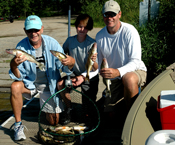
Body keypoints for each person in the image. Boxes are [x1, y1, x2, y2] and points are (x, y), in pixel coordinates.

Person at [9, 15, 74, 141]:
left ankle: (58, 107)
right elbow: (19, 76)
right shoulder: (21, 47)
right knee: (14, 86)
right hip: (30, 85)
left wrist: (71, 62)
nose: (33, 33)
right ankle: (18, 125)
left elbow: (64, 67)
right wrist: (13, 65)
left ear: (42, 29)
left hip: (49, 86)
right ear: (25, 31)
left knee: (54, 122)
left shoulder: (52, 43)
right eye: (29, 30)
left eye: (36, 30)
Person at [96, 0, 147, 113]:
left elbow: (136, 61)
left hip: (135, 71)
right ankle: (112, 100)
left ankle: (131, 117)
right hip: (114, 78)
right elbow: (98, 65)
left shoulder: (130, 31)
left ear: (119, 14)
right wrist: (85, 73)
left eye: (113, 14)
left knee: (128, 79)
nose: (110, 17)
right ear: (103, 15)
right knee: (110, 115)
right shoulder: (99, 36)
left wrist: (118, 71)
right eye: (106, 14)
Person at [57, 14, 99, 125]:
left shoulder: (92, 43)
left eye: (85, 27)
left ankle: (88, 113)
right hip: (74, 74)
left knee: (88, 107)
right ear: (76, 27)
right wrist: (64, 60)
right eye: (80, 26)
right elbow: (62, 53)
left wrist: (93, 61)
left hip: (88, 75)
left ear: (89, 29)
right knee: (60, 84)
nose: (82, 29)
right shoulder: (70, 41)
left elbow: (96, 68)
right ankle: (69, 108)